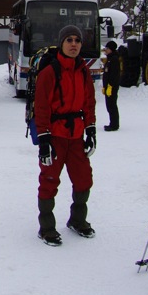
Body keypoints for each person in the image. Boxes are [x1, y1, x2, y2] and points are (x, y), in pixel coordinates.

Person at [34, 25, 97, 246]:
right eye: (69, 40)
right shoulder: (50, 72)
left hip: (77, 135)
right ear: (61, 43)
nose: (73, 44)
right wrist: (43, 139)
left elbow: (89, 101)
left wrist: (91, 128)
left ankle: (78, 220)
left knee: (83, 179)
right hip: (55, 136)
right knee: (49, 179)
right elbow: (40, 107)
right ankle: (47, 227)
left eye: (77, 40)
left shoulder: (83, 70)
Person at [102, 40, 121, 131]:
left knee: (111, 105)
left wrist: (110, 86)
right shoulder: (110, 59)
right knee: (109, 105)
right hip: (108, 87)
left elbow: (114, 75)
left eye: (107, 48)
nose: (105, 50)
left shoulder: (114, 60)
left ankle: (114, 125)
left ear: (111, 49)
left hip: (111, 87)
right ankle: (112, 123)